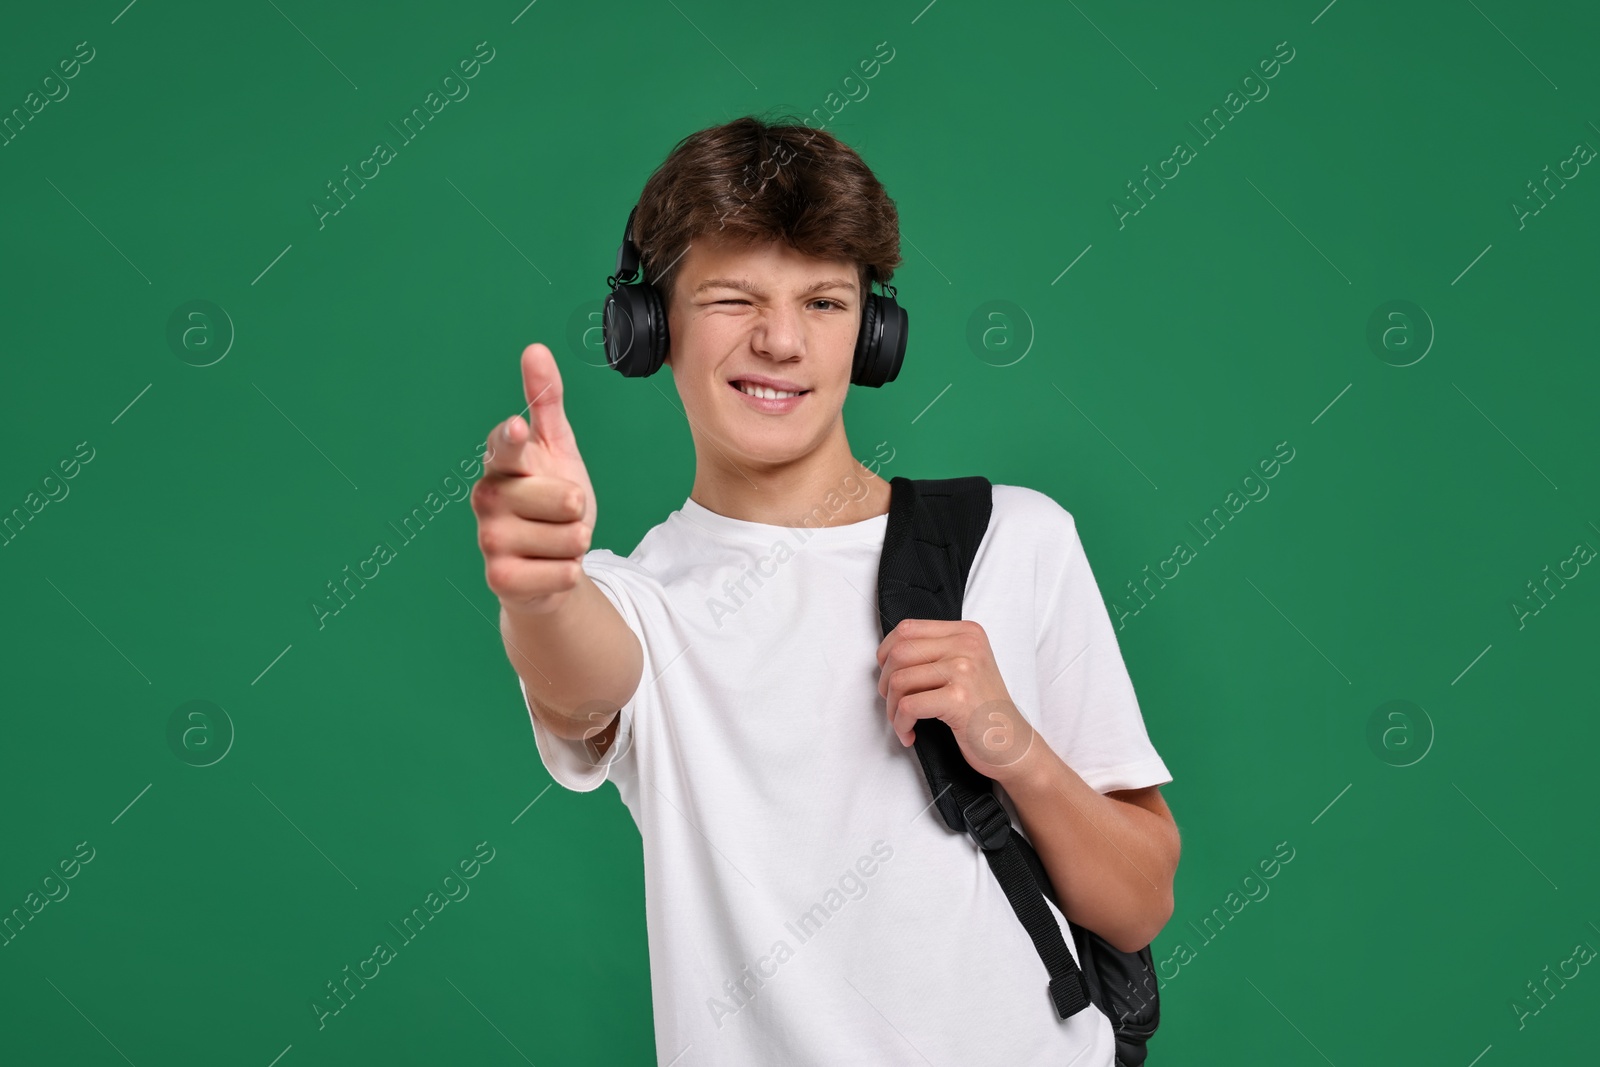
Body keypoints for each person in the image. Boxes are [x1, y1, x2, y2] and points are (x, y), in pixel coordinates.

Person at [470, 115, 1180, 1066]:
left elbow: (1140, 903)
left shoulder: (1018, 539)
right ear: (647, 327)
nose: (780, 341)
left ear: (873, 334)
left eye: (824, 303)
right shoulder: (640, 600)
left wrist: (1014, 745)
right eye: (731, 298)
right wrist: (541, 592)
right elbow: (581, 674)